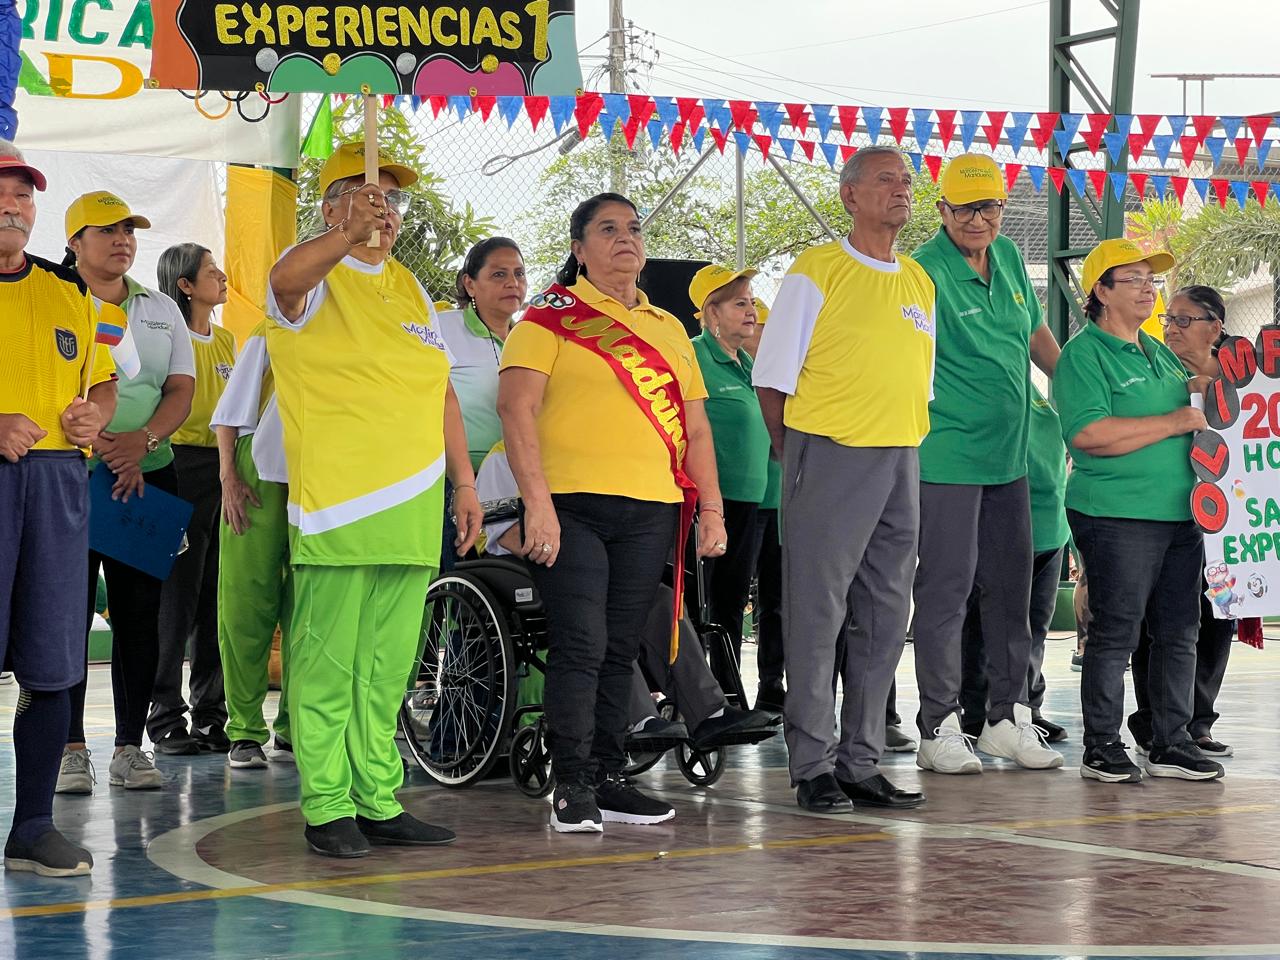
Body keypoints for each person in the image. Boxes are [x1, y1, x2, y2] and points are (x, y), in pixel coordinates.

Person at [266, 141, 480, 857]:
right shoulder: (313, 273)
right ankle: (327, 804)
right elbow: (284, 282)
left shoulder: (411, 287)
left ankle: (378, 798)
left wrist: (464, 483)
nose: (384, 211)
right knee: (328, 662)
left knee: (388, 666)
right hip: (340, 505)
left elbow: (442, 392)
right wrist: (343, 238)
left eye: (393, 200)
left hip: (414, 505)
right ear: (334, 206)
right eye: (368, 197)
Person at [498, 192, 728, 834]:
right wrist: (537, 505)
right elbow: (516, 409)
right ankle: (571, 783)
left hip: (651, 507)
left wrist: (711, 510)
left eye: (633, 228)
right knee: (581, 642)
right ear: (578, 249)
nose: (625, 238)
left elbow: (696, 429)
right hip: (569, 506)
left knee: (621, 646)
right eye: (607, 229)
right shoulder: (546, 318)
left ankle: (606, 777)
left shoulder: (668, 328)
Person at [752, 146, 934, 813]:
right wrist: (796, 453)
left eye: (907, 180)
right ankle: (813, 764)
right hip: (829, 451)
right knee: (817, 612)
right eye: (886, 179)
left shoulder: (919, 280)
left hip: (901, 454)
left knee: (886, 614)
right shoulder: (817, 270)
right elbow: (772, 378)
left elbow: (919, 380)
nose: (901, 189)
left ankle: (861, 761)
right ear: (850, 195)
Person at [908, 154, 1062, 775]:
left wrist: (1078, 392)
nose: (978, 219)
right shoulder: (921, 271)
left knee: (1011, 591)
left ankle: (1006, 718)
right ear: (942, 209)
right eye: (965, 208)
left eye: (989, 206)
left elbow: (1037, 338)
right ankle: (938, 725)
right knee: (946, 592)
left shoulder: (1009, 259)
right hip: (947, 455)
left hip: (1011, 457)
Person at [475, 443, 777, 749]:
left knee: (660, 598)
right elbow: (505, 534)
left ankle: (709, 711)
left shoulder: (580, 451)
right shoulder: (502, 459)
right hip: (532, 570)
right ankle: (637, 718)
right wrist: (579, 558)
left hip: (598, 565)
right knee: (597, 601)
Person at [1054, 238, 1223, 783]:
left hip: (1180, 513)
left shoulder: (1157, 351)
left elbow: (1188, 403)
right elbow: (1088, 434)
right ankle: (1101, 745)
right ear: (1101, 292)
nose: (1149, 290)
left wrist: (1200, 389)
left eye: (1152, 280)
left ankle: (1171, 740)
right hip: (1116, 514)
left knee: (1179, 630)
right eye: (1134, 280)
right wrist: (1174, 422)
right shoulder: (1085, 355)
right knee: (1116, 633)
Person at [0, 144, 117, 877]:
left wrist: (93, 415)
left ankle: (33, 827)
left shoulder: (70, 293)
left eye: (22, 195)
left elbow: (100, 382)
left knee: (51, 666)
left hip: (57, 485)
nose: (11, 207)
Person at [57, 191, 195, 795]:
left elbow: (180, 388)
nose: (122, 240)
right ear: (74, 242)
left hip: (148, 473)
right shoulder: (52, 295)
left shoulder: (161, 308)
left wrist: (143, 442)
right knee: (65, 613)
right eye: (106, 230)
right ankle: (69, 750)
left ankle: (129, 749)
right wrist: (102, 446)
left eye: (129, 231)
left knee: (141, 618)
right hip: (69, 475)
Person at [1128, 285, 1235, 758]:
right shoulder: (1156, 371)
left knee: (1215, 619)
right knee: (1162, 621)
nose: (1171, 328)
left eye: (1184, 319)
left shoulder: (1240, 380)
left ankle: (1198, 721)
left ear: (1215, 327)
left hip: (1226, 520)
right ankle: (1154, 721)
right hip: (1165, 511)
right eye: (1168, 319)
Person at [149, 244, 235, 756]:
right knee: (174, 599)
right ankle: (164, 717)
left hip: (222, 471)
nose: (222, 277)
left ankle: (210, 715)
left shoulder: (227, 341)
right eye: (210, 271)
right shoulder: (166, 337)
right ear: (184, 284)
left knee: (215, 596)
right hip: (176, 465)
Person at [960, 383, 1071, 743]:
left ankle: (1028, 708)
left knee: (1035, 627)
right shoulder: (989, 391)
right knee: (984, 627)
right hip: (1004, 526)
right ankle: (976, 712)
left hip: (1051, 528)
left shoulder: (1040, 395)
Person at [210, 320, 294, 769]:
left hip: (325, 480)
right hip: (257, 476)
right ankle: (244, 729)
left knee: (311, 608)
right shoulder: (271, 329)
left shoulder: (358, 327)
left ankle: (295, 726)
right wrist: (229, 476)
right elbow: (228, 413)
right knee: (247, 603)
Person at [688, 265, 771, 693]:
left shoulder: (749, 363)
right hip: (710, 500)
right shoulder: (694, 357)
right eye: (740, 303)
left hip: (750, 499)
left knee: (733, 599)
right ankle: (695, 695)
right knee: (699, 602)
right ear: (712, 313)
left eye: (751, 302)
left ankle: (728, 691)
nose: (751, 310)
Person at [435, 237, 527, 570]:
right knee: (456, 578)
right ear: (470, 284)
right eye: (499, 274)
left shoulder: (531, 337)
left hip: (519, 479)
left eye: (519, 273)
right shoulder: (443, 327)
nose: (512, 283)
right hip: (458, 478)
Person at [742, 299, 787, 716]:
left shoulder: (785, 374)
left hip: (779, 503)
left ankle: (771, 683)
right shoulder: (728, 368)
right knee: (728, 598)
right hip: (739, 501)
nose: (760, 332)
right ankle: (719, 692)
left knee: (776, 601)